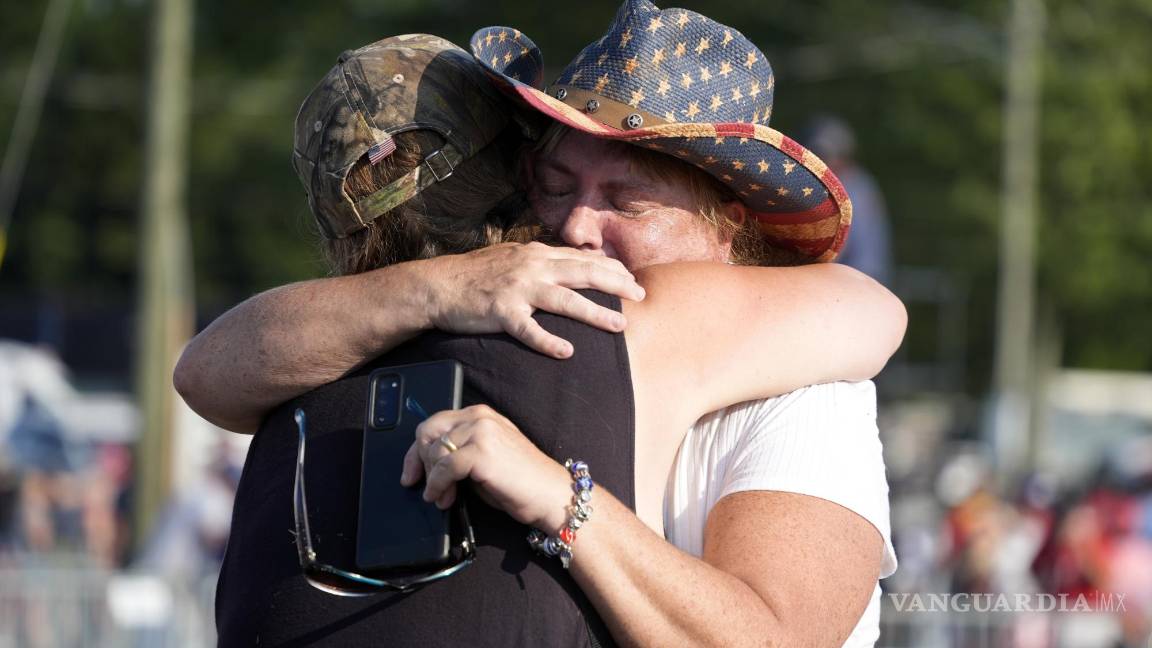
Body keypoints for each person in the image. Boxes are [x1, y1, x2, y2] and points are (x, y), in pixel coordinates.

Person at [186, 4, 903, 646]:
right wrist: (443, 286)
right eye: (556, 187)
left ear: (727, 225)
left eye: (627, 202)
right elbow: (203, 371)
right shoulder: (462, 323)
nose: (578, 227)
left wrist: (565, 501)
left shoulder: (806, 392)